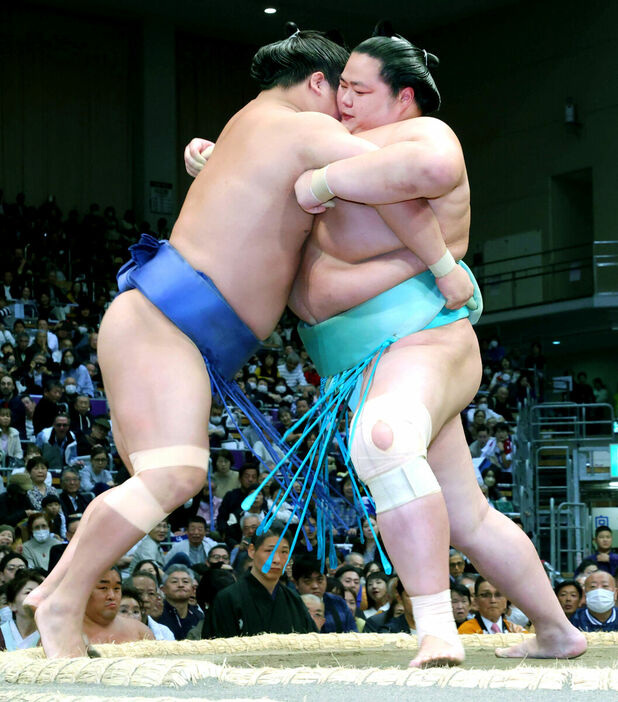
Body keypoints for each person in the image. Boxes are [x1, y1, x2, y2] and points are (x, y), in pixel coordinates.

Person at [205, 526, 317, 638]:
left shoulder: (294, 600)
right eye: (269, 551)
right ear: (252, 551)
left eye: (284, 552)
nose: (276, 560)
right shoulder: (228, 598)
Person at [82, 567, 153, 645]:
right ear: (84, 591)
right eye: (103, 588)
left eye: (116, 589)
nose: (112, 596)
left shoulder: (141, 632)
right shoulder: (69, 633)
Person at [291, 554, 357, 633]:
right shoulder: (290, 605)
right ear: (296, 583)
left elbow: (354, 636)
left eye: (320, 580)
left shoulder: (338, 602)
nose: (315, 586)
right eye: (308, 581)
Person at [457, 577, 524, 634]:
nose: (493, 600)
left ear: (506, 600)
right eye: (485, 595)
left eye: (498, 595)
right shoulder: (465, 631)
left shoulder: (516, 631)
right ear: (476, 601)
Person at [156, 564, 203, 640]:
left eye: (185, 581)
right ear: (162, 589)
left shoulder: (198, 616)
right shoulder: (157, 614)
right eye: (174, 581)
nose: (181, 585)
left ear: (192, 589)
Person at [0, 569, 44, 650]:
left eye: (38, 593)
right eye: (28, 592)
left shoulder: (48, 636)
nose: (35, 597)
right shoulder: (2, 633)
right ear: (12, 605)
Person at [125, 570, 175, 641]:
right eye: (139, 593)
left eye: (151, 594)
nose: (145, 599)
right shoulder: (113, 629)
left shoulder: (165, 633)